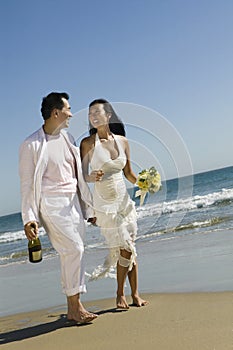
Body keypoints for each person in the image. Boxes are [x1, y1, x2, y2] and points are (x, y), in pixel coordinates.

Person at [19, 92, 97, 324]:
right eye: (68, 109)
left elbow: (76, 175)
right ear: (56, 113)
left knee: (75, 250)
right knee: (74, 249)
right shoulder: (31, 144)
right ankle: (75, 308)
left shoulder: (67, 137)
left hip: (73, 203)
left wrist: (88, 209)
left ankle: (75, 306)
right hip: (51, 205)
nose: (71, 113)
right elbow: (26, 184)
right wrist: (28, 218)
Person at [80, 98, 148, 309]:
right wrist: (92, 176)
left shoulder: (122, 141)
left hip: (124, 201)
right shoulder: (87, 144)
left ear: (108, 116)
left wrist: (147, 183)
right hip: (104, 204)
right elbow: (82, 176)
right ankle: (120, 294)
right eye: (91, 114)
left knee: (130, 247)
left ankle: (135, 294)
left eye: (97, 112)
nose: (93, 116)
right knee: (125, 248)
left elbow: (128, 173)